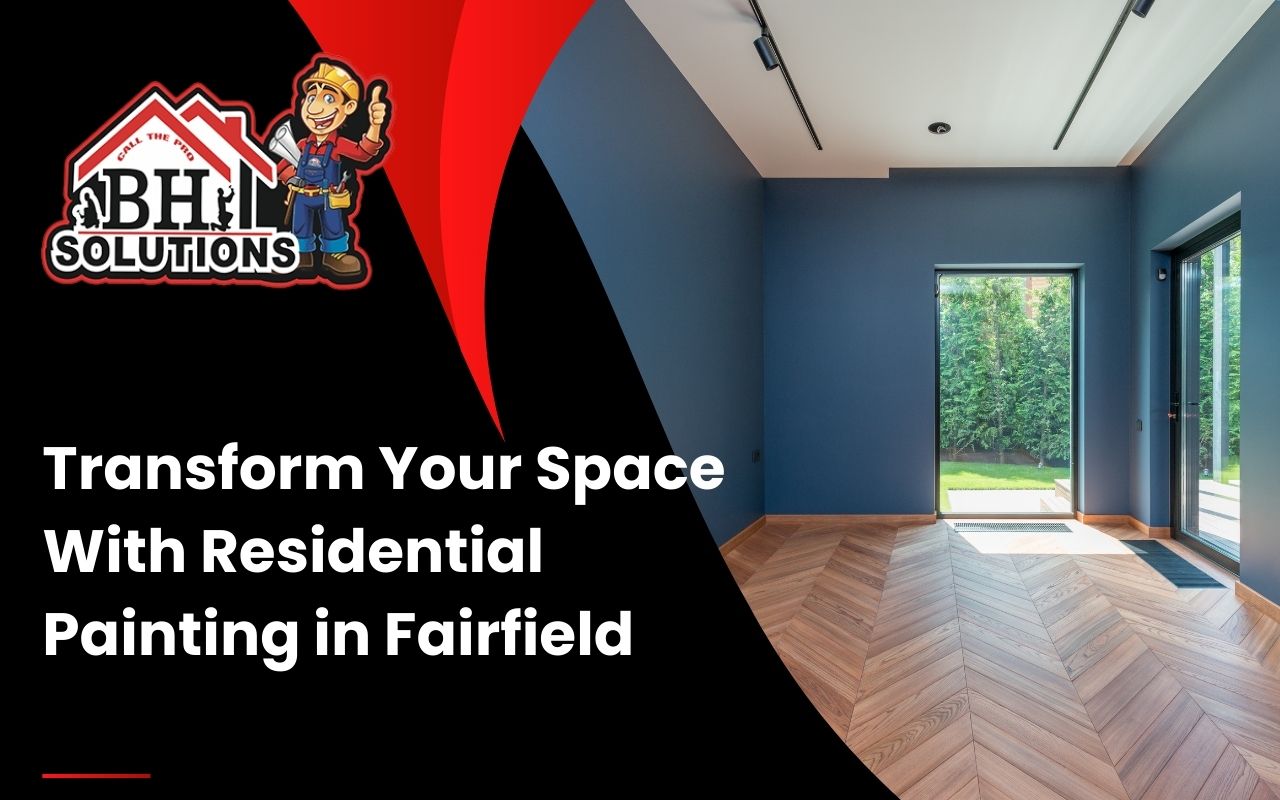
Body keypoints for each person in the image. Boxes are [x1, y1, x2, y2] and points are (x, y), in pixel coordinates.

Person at [276, 61, 389, 282]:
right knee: (300, 225)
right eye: (311, 98)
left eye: (328, 99)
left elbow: (363, 153)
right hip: (302, 197)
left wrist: (375, 126)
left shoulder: (338, 145)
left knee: (333, 225)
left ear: (348, 107)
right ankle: (300, 253)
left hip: (329, 197)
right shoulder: (300, 145)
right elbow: (282, 166)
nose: (314, 108)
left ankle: (334, 255)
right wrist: (290, 180)